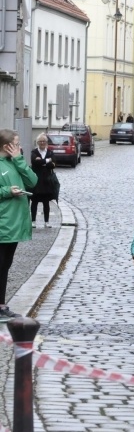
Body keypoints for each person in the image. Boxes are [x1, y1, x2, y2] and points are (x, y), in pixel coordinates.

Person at [0, 129, 38, 320]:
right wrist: (8, 191)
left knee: (5, 265)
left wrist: (19, 161)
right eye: (17, 143)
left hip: (14, 224)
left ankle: (1, 305)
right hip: (3, 224)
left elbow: (32, 181)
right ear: (8, 146)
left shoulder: (15, 162)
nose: (20, 146)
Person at [30, 133, 56, 228]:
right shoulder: (34, 152)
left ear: (46, 142)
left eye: (44, 141)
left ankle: (46, 221)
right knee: (34, 202)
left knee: (46, 203)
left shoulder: (50, 152)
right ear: (37, 142)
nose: (42, 143)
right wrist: (47, 161)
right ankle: (33, 221)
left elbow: (53, 164)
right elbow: (34, 162)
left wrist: (42, 161)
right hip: (36, 181)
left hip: (46, 181)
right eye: (40, 141)